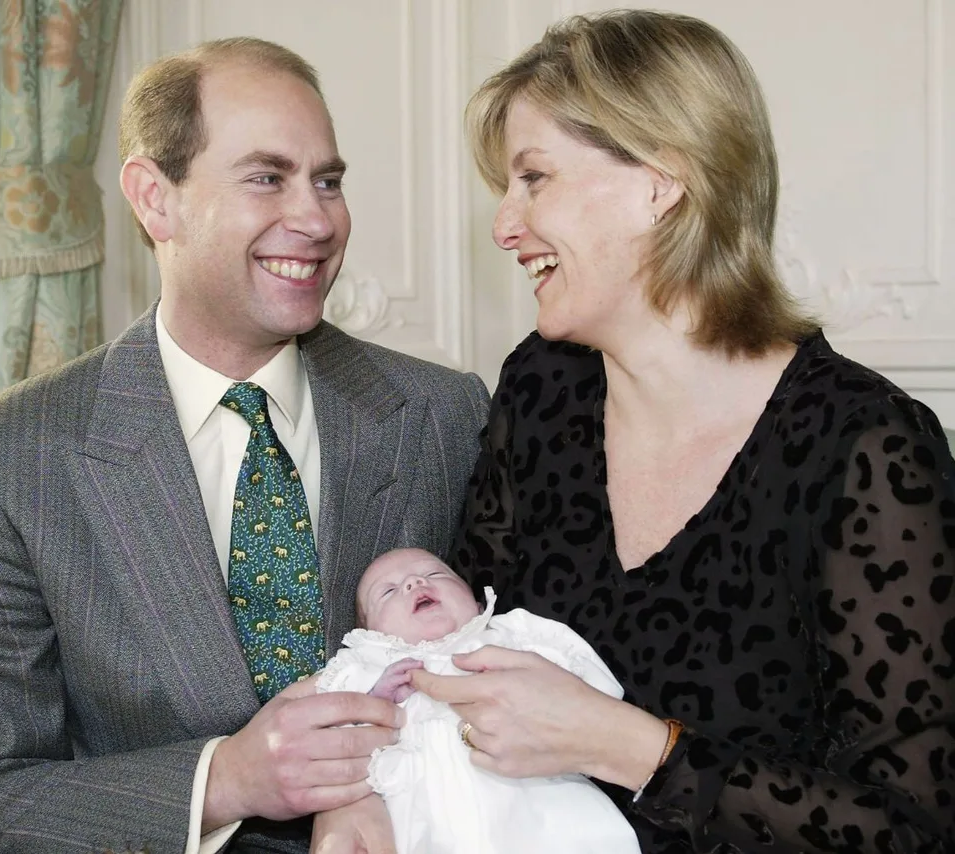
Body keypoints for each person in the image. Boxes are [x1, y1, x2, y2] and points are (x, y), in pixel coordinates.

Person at [404, 10, 955, 854]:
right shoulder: (541, 391)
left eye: (535, 178)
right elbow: (454, 653)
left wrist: (624, 744)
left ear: (660, 182)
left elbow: (912, 829)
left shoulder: (866, 449)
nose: (504, 225)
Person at [0, 37, 489, 854]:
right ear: (155, 199)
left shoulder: (447, 414)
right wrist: (224, 780)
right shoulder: (8, 461)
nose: (316, 218)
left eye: (327, 181)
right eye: (268, 177)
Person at [317, 547, 640, 854]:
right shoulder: (364, 669)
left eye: (435, 573)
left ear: (472, 598)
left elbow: (590, 687)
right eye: (387, 592)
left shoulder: (510, 634)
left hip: (538, 808)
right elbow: (330, 743)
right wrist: (375, 701)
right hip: (426, 828)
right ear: (370, 633)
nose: (415, 582)